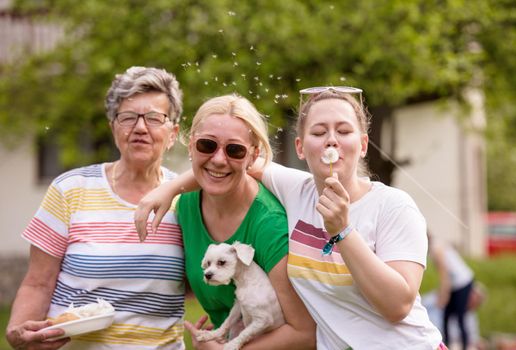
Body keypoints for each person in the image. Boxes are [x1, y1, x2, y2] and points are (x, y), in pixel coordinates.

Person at [136, 86, 446, 349]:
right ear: (300, 146)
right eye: (319, 132)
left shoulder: (393, 206)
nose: (332, 140)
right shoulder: (295, 190)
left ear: (362, 144)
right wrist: (169, 189)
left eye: (344, 131)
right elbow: (225, 163)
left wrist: (343, 231)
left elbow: (398, 306)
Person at [6, 66, 186, 349]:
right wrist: (19, 332)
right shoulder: (71, 189)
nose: (140, 128)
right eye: (128, 117)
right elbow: (38, 282)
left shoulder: (186, 200)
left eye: (153, 118)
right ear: (113, 128)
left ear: (173, 133)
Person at [137, 93, 316, 350]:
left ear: (253, 156)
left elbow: (304, 333)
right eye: (207, 145)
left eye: (235, 150)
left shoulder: (269, 224)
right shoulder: (186, 205)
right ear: (191, 146)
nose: (219, 159)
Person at [428, 232, 476, 350]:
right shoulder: (437, 245)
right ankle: (446, 345)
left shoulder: (436, 249)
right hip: (456, 285)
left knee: (460, 317)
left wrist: (443, 297)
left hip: (463, 283)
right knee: (446, 317)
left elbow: (445, 276)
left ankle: (465, 346)